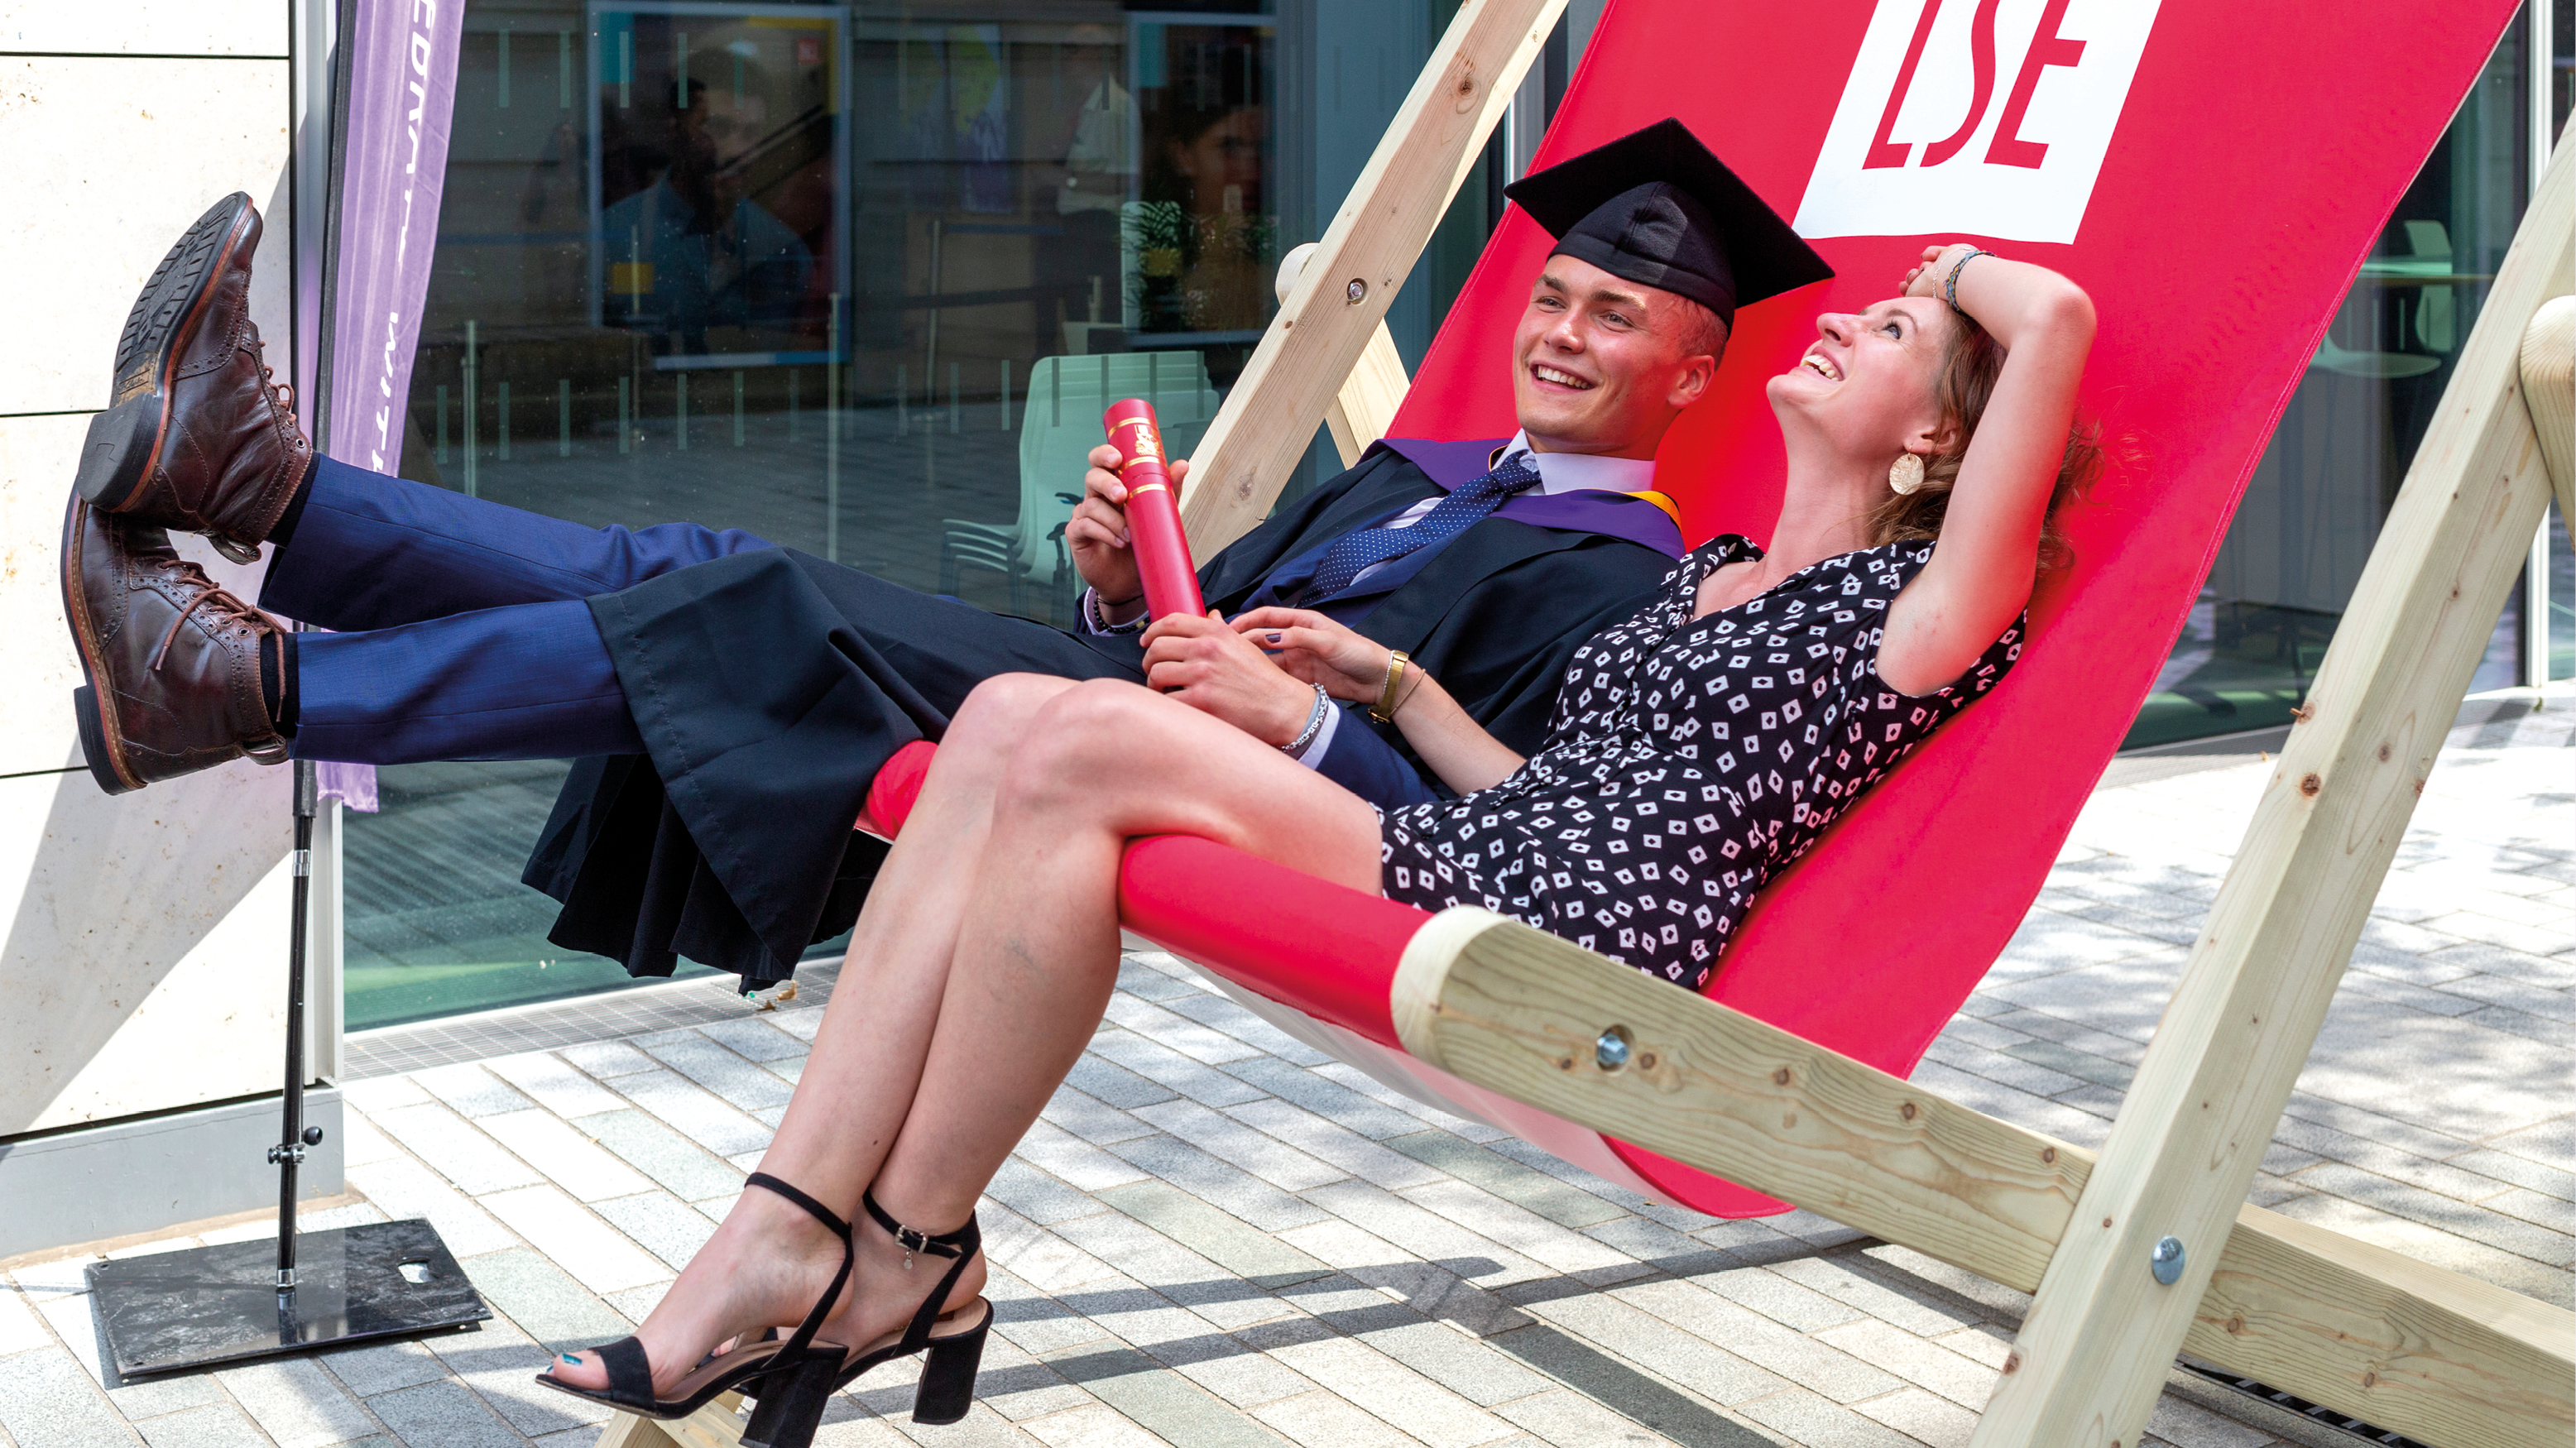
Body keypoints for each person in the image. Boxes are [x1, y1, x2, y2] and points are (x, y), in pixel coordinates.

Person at [530, 225, 2098, 1446]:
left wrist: (1949, 271)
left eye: (1890, 334)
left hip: (1578, 940)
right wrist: (1391, 682)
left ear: (1939, 443)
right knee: (1007, 715)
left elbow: (2061, 321)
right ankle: (817, 1227)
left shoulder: (1917, 612)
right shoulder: (1716, 569)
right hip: (1499, 847)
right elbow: (1553, 782)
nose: (1846, 321)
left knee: (1068, 734)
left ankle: (889, 1239)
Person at [60, 120, 1828, 991]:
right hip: (1110, 693)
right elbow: (1212, 623)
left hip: (1179, 784)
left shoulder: (1618, 576)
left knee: (742, 599)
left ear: (1695, 374)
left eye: (1616, 317)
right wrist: (1122, 584)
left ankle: (251, 676)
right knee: (706, 563)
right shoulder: (1427, 465)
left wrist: (1297, 720)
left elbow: (1470, 820)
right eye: (1555, 296)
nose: (1562, 333)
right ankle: (265, 515)